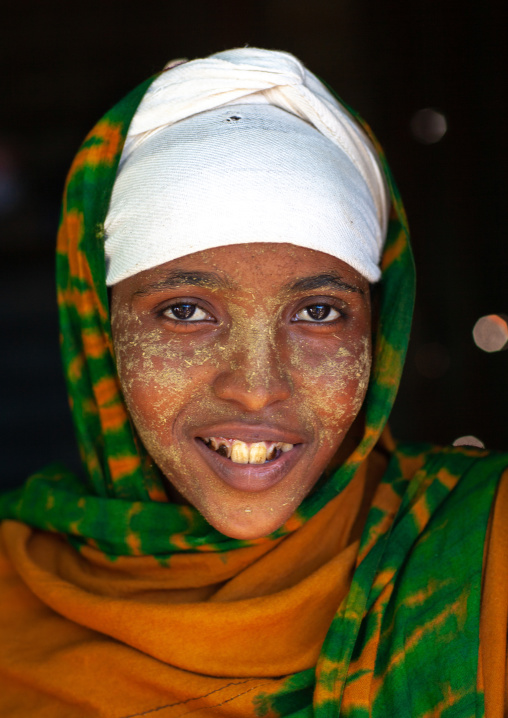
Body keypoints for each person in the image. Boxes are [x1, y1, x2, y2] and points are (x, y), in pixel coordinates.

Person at [0, 47, 507, 717]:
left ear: (377, 332)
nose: (257, 386)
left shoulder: (484, 550)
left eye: (319, 312)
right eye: (185, 312)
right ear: (101, 325)